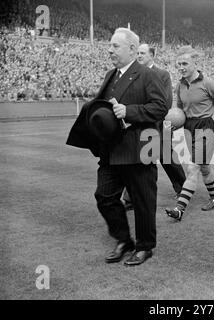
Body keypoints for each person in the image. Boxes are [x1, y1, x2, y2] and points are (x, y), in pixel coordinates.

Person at [67, 28, 168, 265]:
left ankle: (145, 247)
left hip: (139, 147)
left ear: (132, 49)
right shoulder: (111, 75)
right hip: (111, 151)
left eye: (115, 46)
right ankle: (124, 239)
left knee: (143, 201)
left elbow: (161, 107)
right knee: (104, 196)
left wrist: (129, 111)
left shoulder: (147, 74)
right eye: (110, 46)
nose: (109, 50)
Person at [165, 45, 214, 221]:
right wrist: (173, 125)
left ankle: (180, 209)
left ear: (195, 63)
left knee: (193, 167)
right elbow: (179, 111)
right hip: (188, 127)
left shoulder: (209, 83)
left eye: (185, 63)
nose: (181, 67)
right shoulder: (179, 85)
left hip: (205, 127)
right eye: (178, 64)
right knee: (204, 168)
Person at [122, 43, 186, 208]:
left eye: (142, 53)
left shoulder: (162, 74)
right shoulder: (132, 74)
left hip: (159, 124)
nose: (139, 56)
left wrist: (144, 112)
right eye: (137, 53)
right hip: (139, 125)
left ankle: (183, 189)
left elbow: (166, 101)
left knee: (168, 159)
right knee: (136, 161)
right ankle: (130, 199)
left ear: (152, 55)